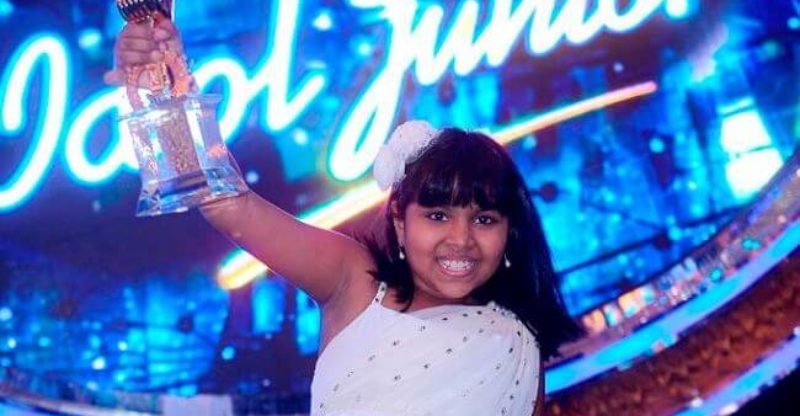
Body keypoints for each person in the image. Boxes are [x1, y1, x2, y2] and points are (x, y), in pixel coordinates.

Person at [110, 19, 584, 416]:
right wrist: (161, 84)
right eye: (438, 215)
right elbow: (225, 201)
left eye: (484, 220)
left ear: (510, 230)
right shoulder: (355, 284)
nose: (460, 239)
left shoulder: (516, 344)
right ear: (399, 221)